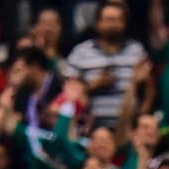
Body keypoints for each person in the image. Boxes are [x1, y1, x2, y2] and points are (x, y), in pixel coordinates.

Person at [62, 2, 147, 130]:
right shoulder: (81, 52)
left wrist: (141, 113)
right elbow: (68, 92)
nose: (114, 24)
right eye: (109, 19)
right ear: (98, 23)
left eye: (119, 20)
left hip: (127, 127)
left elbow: (150, 87)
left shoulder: (136, 50)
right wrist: (94, 85)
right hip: (90, 128)